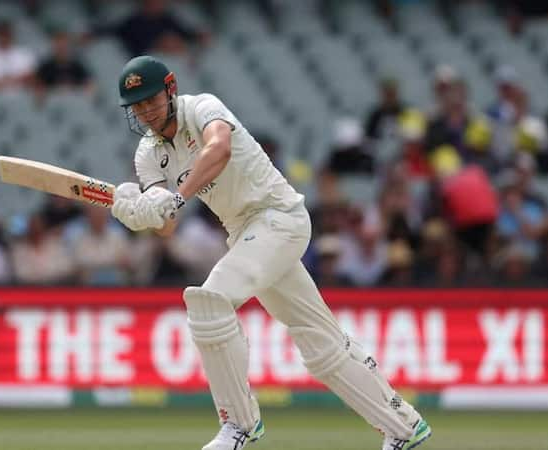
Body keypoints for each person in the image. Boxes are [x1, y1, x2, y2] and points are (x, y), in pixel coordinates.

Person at [109, 55, 431, 450]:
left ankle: (240, 425)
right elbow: (167, 223)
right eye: (136, 106)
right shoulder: (147, 153)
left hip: (279, 218)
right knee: (320, 344)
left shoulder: (203, 107)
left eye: (150, 100)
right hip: (246, 234)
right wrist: (137, 213)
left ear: (171, 89)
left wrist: (175, 197)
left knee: (209, 300)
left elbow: (220, 148)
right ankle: (403, 427)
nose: (145, 111)